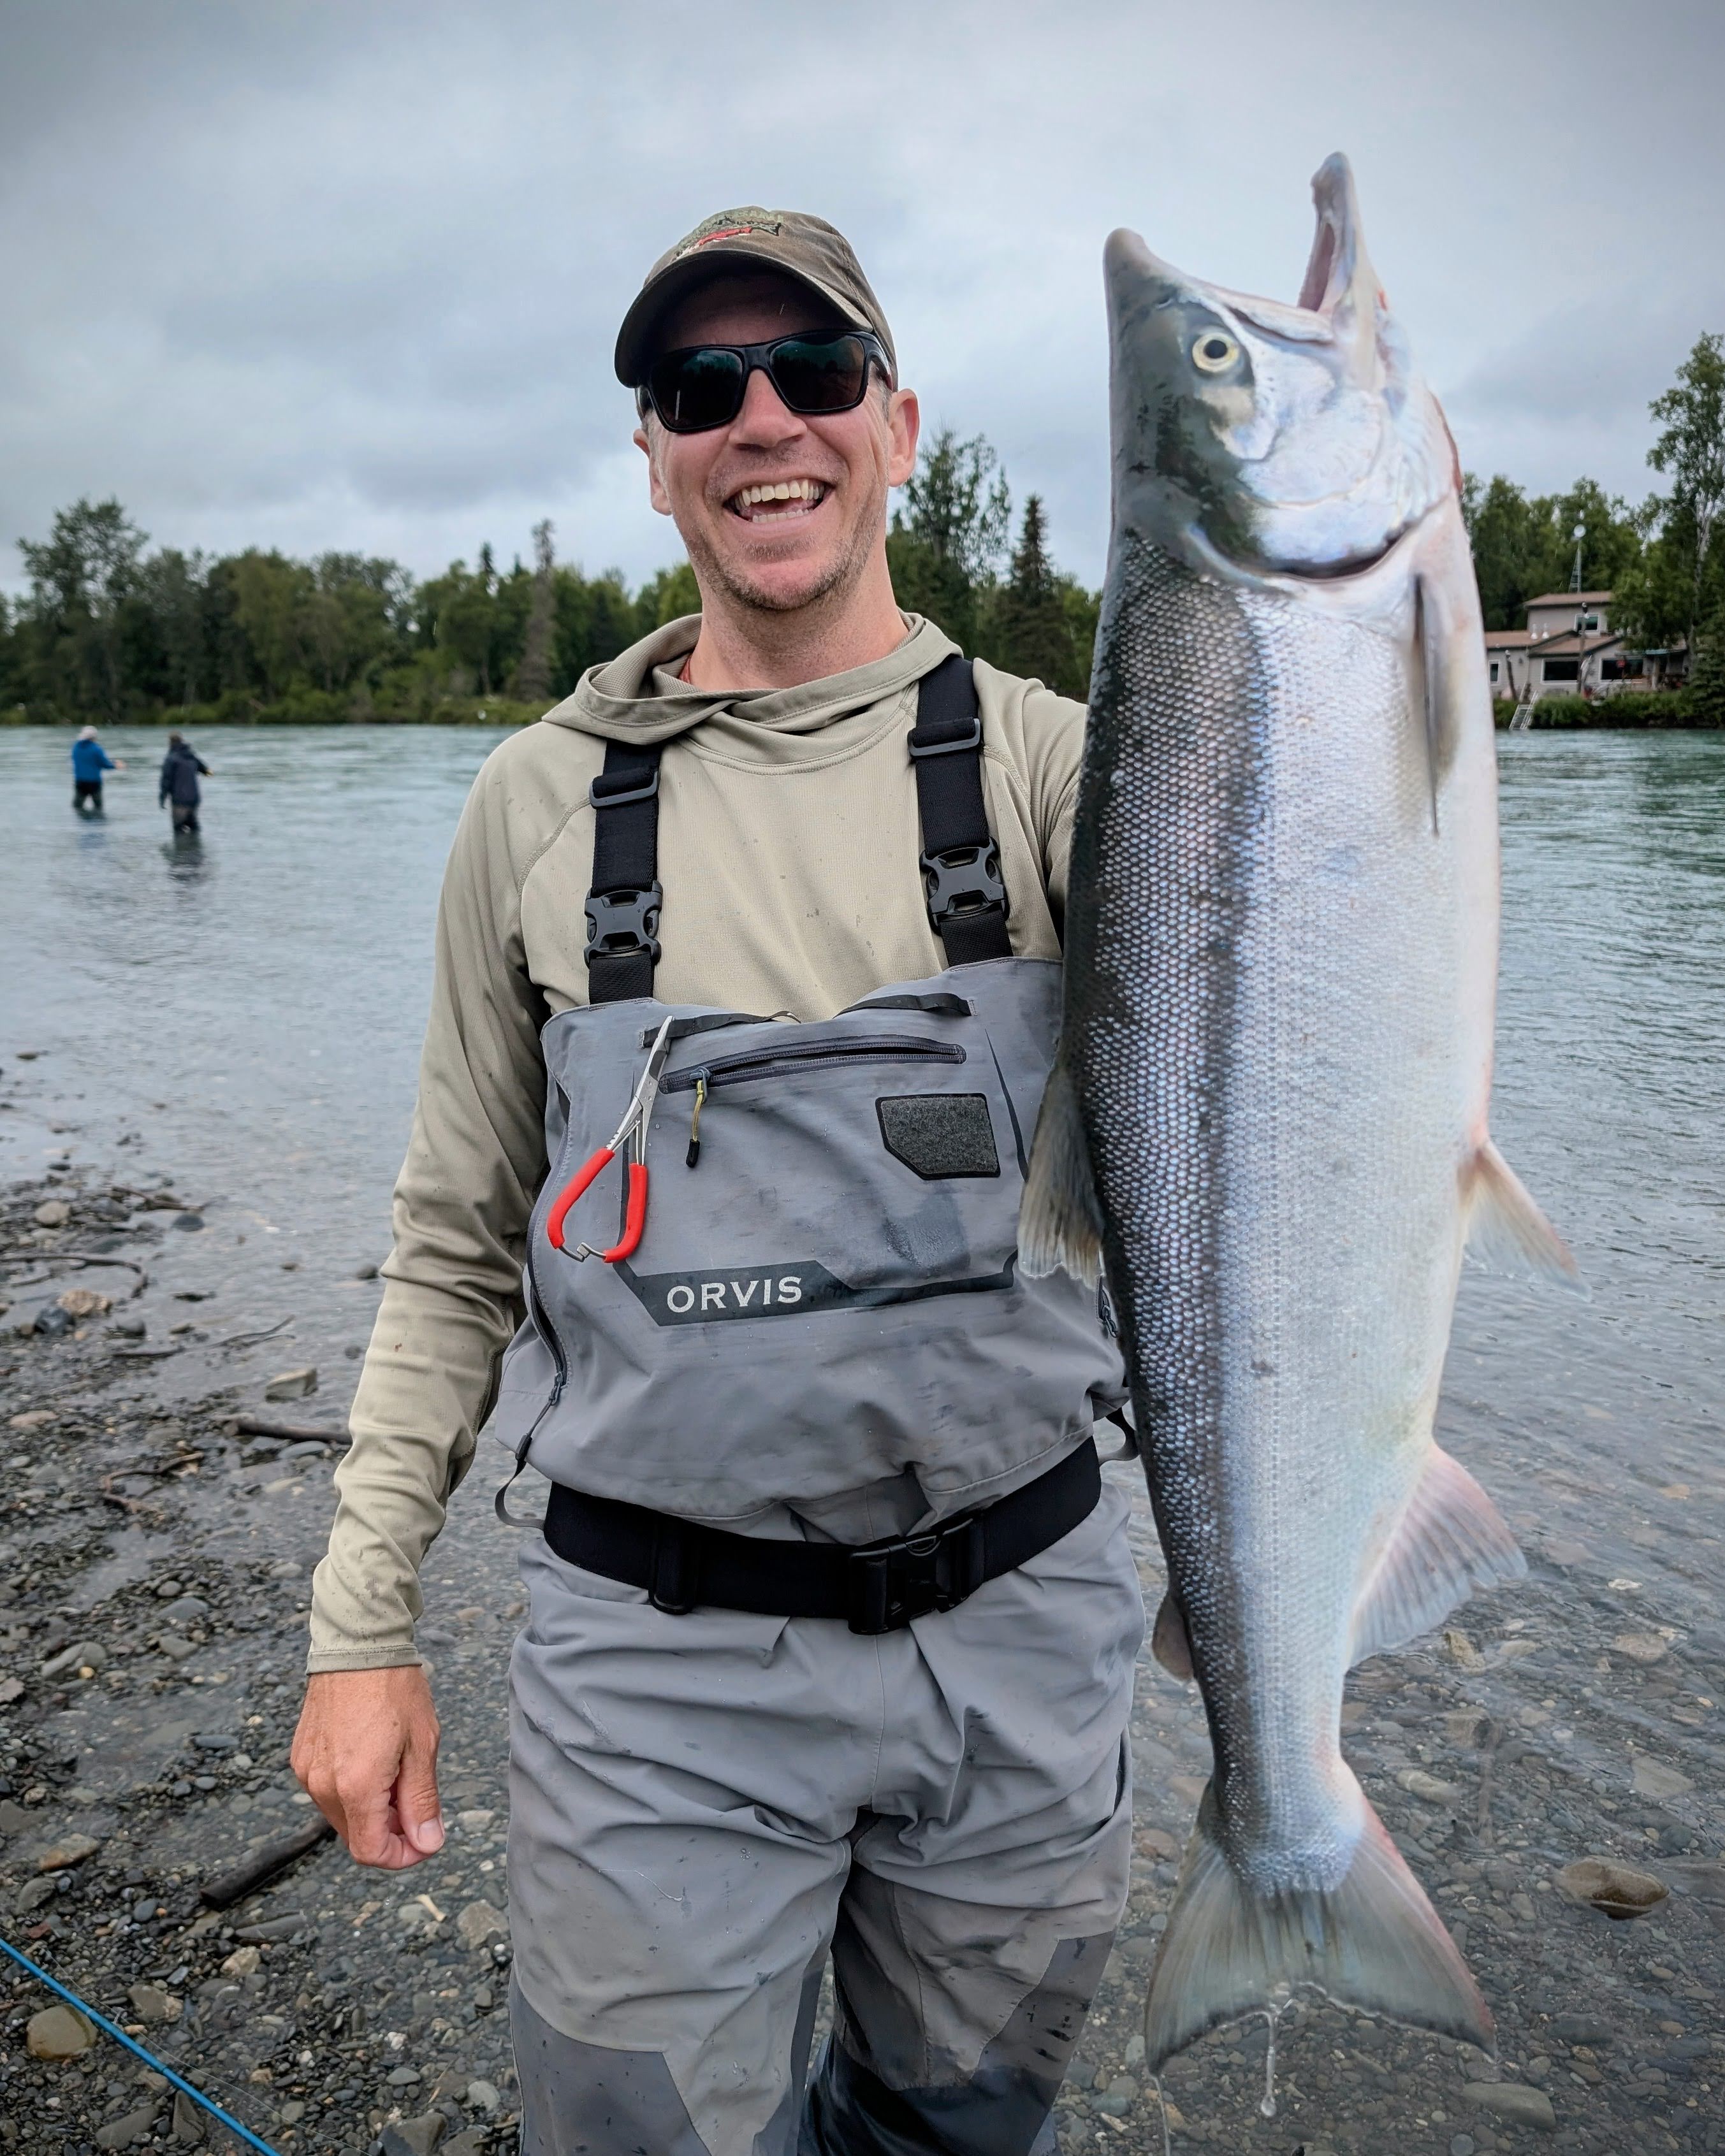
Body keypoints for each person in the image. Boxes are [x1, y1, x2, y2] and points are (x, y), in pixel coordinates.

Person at [293, 209, 1144, 2156]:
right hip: (652, 1673)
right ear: (656, 453)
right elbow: (447, 1250)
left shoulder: (1060, 771)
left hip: (1025, 1632)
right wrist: (361, 1624)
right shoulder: (531, 803)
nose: (764, 420)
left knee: (957, 2128)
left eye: (812, 373)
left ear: (899, 420)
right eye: (702, 388)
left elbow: (1295, 1061)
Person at [158, 732, 210, 834]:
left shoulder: (171, 759)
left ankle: (182, 850)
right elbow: (205, 770)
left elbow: (166, 781)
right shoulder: (191, 756)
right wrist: (209, 773)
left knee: (179, 832)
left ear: (170, 743)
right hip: (194, 800)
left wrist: (162, 799)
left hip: (180, 801)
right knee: (194, 829)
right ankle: (197, 850)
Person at [70, 725, 122, 813]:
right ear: (93, 737)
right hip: (94, 783)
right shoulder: (96, 749)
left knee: (77, 807)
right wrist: (116, 765)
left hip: (80, 782)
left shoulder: (75, 748)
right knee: (98, 808)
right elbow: (105, 764)